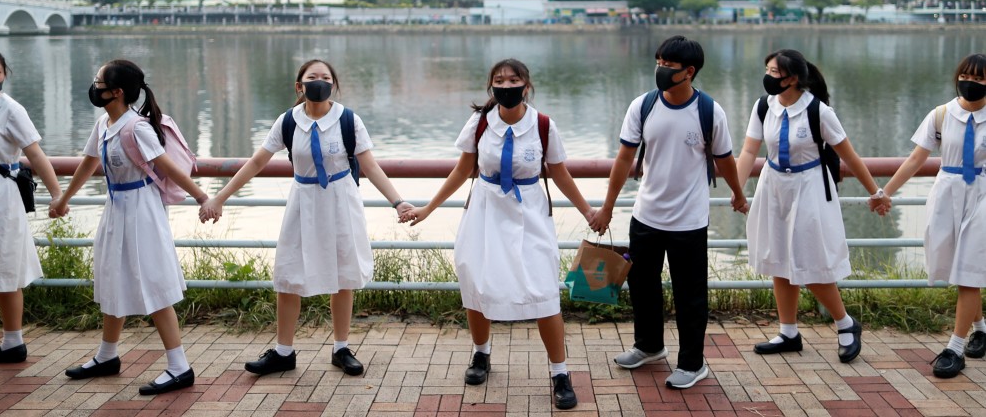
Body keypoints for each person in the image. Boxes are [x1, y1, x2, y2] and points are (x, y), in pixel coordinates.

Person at [402, 58, 597, 411]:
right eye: (499, 80)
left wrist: (588, 211)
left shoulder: (542, 125)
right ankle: (481, 354)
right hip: (485, 212)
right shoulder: (479, 123)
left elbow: (560, 174)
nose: (506, 86)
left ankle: (560, 373)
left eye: (514, 79)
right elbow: (462, 171)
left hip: (530, 215)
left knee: (543, 290)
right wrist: (427, 208)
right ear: (491, 86)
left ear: (527, 85)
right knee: (477, 282)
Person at [198, 59, 412, 378]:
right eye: (312, 77)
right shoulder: (288, 121)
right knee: (288, 274)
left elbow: (370, 165)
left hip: (340, 201)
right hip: (303, 202)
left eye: (326, 77)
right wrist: (219, 197)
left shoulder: (348, 120)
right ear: (300, 86)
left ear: (333, 85)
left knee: (342, 275)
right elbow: (257, 162)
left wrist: (398, 202)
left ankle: (341, 348)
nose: (319, 82)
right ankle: (284, 352)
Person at [590, 35, 748, 390]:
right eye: (658, 61)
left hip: (689, 221)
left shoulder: (710, 111)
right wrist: (608, 208)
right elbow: (624, 159)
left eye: (668, 65)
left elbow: (725, 161)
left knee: (690, 294)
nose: (660, 69)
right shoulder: (642, 105)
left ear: (689, 72)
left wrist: (738, 195)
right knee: (642, 286)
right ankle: (649, 347)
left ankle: (692, 364)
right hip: (646, 215)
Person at [49, 59, 209, 395]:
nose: (94, 87)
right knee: (112, 277)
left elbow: (166, 165)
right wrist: (64, 199)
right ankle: (107, 356)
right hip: (116, 208)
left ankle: (180, 366)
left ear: (117, 92)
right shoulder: (104, 124)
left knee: (153, 282)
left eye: (99, 82)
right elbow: (89, 163)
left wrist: (201, 197)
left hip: (142, 211)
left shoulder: (136, 127)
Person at [735, 49, 886, 365]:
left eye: (774, 72)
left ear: (792, 78)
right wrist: (737, 190)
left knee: (810, 259)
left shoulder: (819, 111)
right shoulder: (764, 106)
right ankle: (788, 331)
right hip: (773, 187)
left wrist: (876, 192)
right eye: (767, 69)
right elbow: (749, 150)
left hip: (810, 188)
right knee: (777, 258)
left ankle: (845, 323)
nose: (768, 76)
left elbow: (850, 155)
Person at [880, 53, 986, 379]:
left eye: (980, 79)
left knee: (968, 270)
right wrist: (886, 192)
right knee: (958, 266)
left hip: (982, 195)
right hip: (946, 194)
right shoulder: (941, 114)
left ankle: (954, 349)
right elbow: (916, 159)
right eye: (967, 76)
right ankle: (980, 328)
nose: (972, 83)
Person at [0, 48, 63, 377]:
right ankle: (13, 343)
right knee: (1, 273)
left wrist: (57, 194)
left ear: (5, 75)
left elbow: (35, 155)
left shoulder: (11, 110)